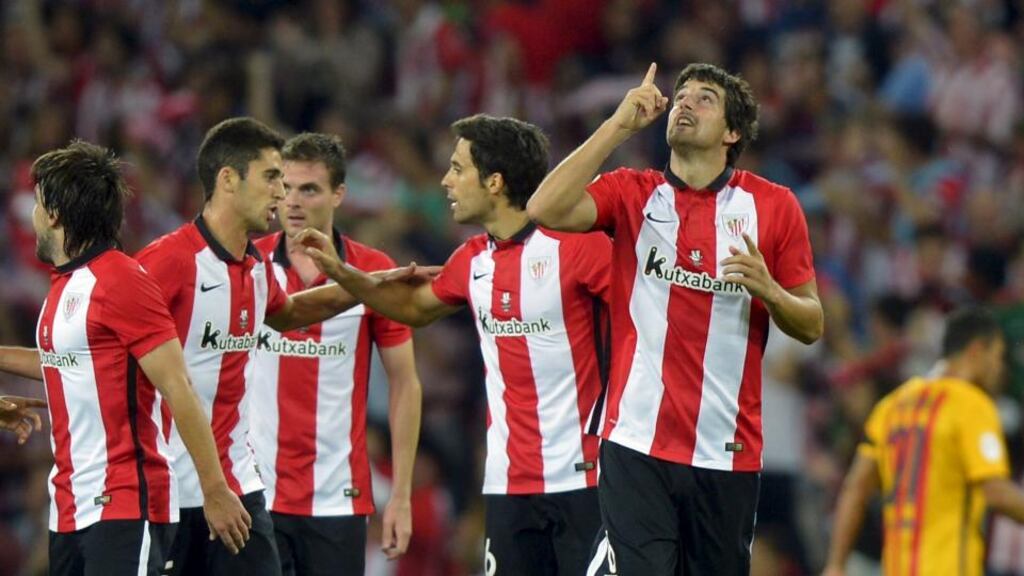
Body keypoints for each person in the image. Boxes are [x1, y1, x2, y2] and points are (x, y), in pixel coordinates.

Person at [527, 62, 824, 575]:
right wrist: (618, 125)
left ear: (732, 133)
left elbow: (812, 323)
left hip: (726, 450)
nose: (684, 102)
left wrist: (770, 290)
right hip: (635, 438)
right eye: (680, 95)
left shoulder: (774, 207)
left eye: (704, 98)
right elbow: (544, 207)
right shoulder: (631, 192)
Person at [297, 114, 611, 576]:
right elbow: (413, 308)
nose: (446, 180)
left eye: (458, 168)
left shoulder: (582, 251)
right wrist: (345, 273)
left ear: (495, 182)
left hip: (588, 480)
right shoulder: (472, 260)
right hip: (509, 484)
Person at [0, 141, 250, 575]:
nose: (35, 217)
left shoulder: (121, 280)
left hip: (125, 503)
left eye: (39, 205)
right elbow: (67, 364)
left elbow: (178, 386)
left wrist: (215, 489)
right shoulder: (66, 284)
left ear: (56, 214)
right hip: (71, 507)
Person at [134, 118, 367, 576]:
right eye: (271, 177)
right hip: (174, 491)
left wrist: (373, 284)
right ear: (227, 179)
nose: (282, 193)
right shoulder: (167, 263)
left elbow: (289, 313)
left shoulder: (255, 267)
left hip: (239, 487)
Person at [249, 133, 422, 575]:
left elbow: (404, 381)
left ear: (339, 194)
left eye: (309, 189)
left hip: (337, 498)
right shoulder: (248, 267)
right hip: (254, 494)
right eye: (284, 186)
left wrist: (401, 494)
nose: (292, 201)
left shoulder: (372, 272)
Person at [823, 307, 1024, 576]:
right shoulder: (972, 403)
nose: (1000, 369)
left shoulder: (892, 405)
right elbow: (995, 491)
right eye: (997, 356)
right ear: (976, 351)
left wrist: (836, 564)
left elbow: (855, 489)